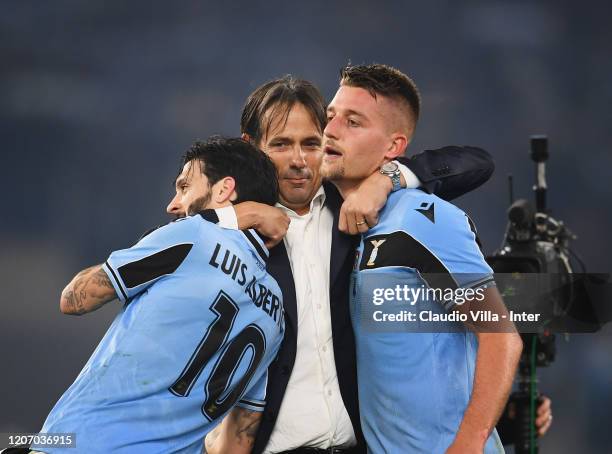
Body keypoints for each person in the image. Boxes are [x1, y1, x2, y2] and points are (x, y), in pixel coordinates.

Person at [201, 76, 499, 454]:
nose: (298, 161)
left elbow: (475, 163)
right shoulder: (230, 229)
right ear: (251, 147)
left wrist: (388, 178)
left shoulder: (360, 208)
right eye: (280, 144)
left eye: (311, 143)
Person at [33, 138, 285, 453]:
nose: (173, 204)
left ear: (223, 190)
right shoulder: (276, 312)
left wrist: (219, 219)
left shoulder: (194, 235)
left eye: (184, 187)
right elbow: (238, 441)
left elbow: (73, 300)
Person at [320, 63, 524, 453]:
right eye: (330, 117)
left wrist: (468, 443)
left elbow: (501, 338)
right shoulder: (340, 223)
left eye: (353, 121)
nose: (331, 129)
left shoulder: (424, 220)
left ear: (393, 148)